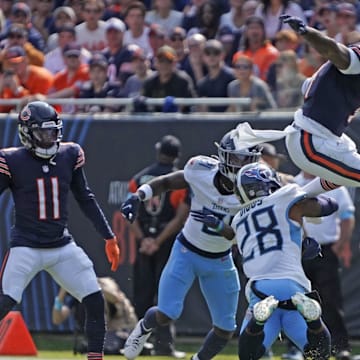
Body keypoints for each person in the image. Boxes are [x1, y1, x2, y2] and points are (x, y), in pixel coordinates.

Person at [120, 127, 262, 360]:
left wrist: (220, 227)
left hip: (220, 259)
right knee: (167, 313)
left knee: (226, 328)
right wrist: (140, 195)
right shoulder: (201, 170)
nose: (244, 164)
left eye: (249, 159)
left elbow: (237, 236)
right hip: (186, 251)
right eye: (239, 157)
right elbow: (167, 182)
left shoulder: (255, 189)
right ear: (225, 156)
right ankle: (144, 328)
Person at [0, 101, 120, 360]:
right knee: (5, 300)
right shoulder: (11, 160)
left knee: (95, 299)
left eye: (53, 132)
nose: (49, 138)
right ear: (27, 133)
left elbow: (85, 197)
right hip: (26, 246)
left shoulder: (70, 154)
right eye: (42, 133)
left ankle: (95, 358)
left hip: (61, 246)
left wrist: (108, 235)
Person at [233, 14, 360, 196]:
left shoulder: (335, 76)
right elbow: (334, 51)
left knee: (345, 167)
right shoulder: (353, 61)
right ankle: (286, 203)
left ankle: (300, 198)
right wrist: (307, 32)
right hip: (312, 140)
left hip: (319, 138)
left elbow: (308, 86)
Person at [232, 162, 338, 360]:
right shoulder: (286, 196)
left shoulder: (237, 219)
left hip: (261, 288)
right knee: (318, 355)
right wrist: (307, 198)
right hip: (294, 286)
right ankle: (314, 320)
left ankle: (258, 321)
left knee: (248, 354)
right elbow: (330, 206)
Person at [125, 135, 189, 358]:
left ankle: (139, 343)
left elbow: (129, 214)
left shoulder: (139, 178)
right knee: (166, 293)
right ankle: (164, 344)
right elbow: (180, 217)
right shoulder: (180, 181)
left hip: (144, 242)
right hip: (167, 243)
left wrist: (144, 240)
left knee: (142, 294)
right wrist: (158, 241)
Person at [294, 170, 355, 360]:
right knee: (297, 300)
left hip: (326, 251)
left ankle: (339, 347)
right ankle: (299, 348)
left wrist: (341, 243)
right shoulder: (294, 183)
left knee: (330, 301)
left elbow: (347, 214)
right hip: (297, 253)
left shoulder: (333, 183)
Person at [52, 277, 150, 355]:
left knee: (108, 348)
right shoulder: (78, 292)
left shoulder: (105, 283)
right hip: (107, 334)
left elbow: (115, 298)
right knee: (94, 347)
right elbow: (57, 319)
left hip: (122, 329)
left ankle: (137, 346)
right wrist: (61, 294)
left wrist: (92, 284)